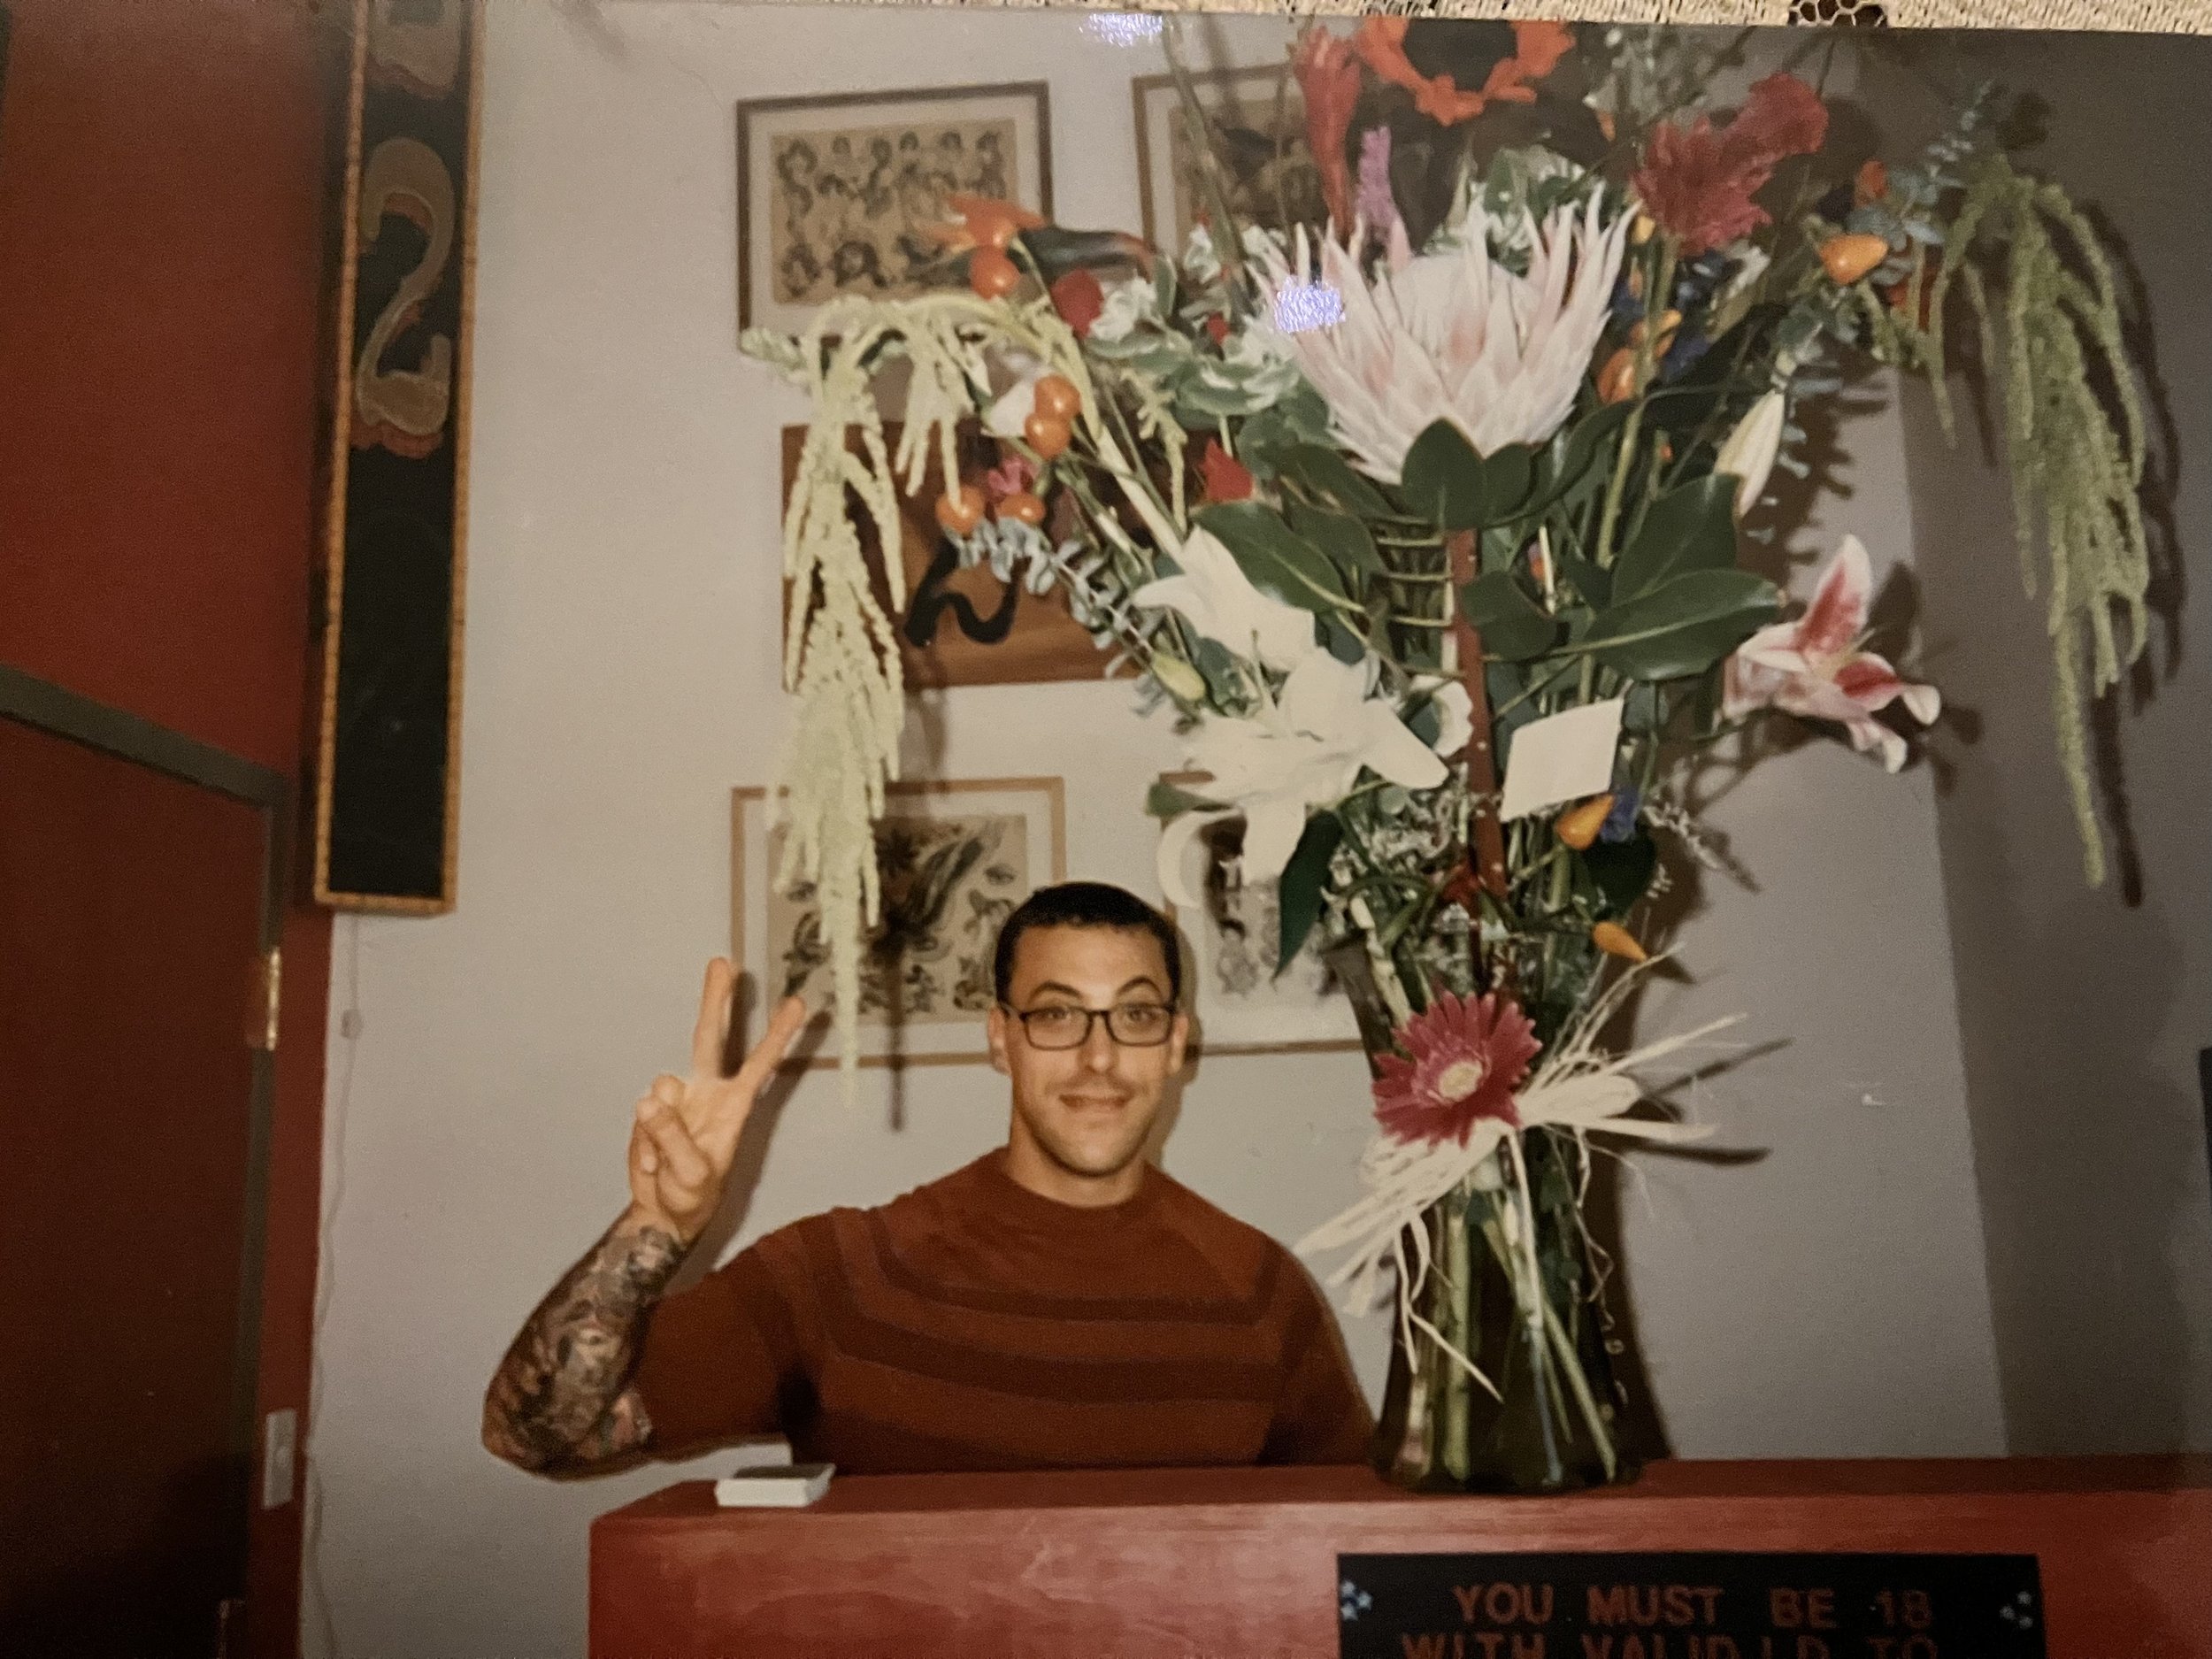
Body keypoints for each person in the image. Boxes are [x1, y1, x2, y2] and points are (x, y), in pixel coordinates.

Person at [480, 881, 1373, 1477]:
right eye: (1057, 1015)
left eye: (1134, 1016)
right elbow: (537, 1436)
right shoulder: (845, 1272)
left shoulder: (1262, 1293)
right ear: (999, 1037)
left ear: (1176, 1043)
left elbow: (1344, 1577)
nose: (1099, 1059)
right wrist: (657, 1226)